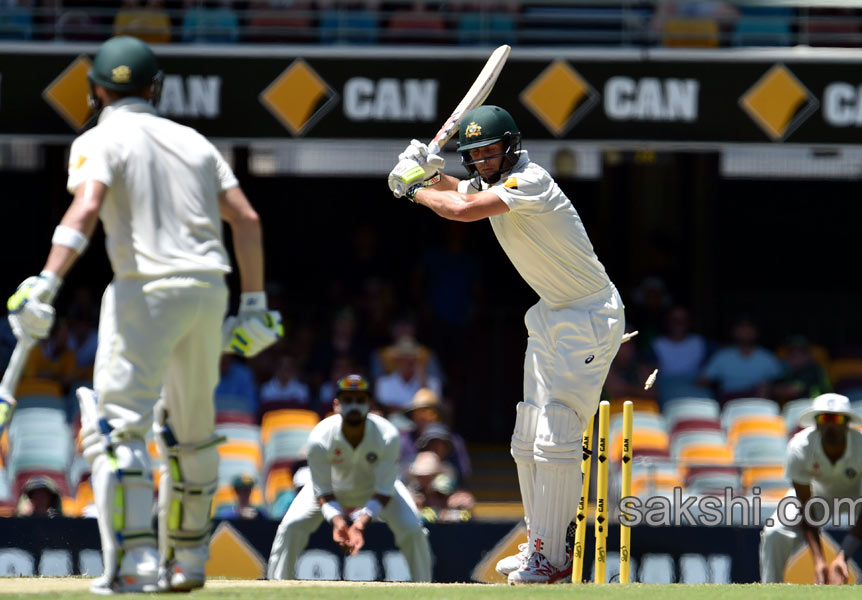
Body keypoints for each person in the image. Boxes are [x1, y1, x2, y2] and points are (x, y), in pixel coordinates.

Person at [3, 36, 283, 593]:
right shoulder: (195, 142)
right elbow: (247, 221)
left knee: (117, 430)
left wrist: (46, 284)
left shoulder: (98, 138)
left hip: (143, 290)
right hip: (209, 290)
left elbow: (85, 206)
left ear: (97, 91)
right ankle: (190, 563)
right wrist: (253, 305)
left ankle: (135, 566)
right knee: (193, 435)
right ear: (155, 88)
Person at [388, 105, 625, 584]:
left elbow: (463, 209)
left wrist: (414, 186)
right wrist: (429, 172)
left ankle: (555, 559)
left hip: (590, 313)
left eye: (492, 151)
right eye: (475, 155)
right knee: (527, 435)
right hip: (551, 312)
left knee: (556, 433)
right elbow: (459, 190)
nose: (485, 161)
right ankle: (539, 546)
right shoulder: (489, 180)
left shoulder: (531, 180)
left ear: (511, 147)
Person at [266, 374, 432, 582]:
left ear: (370, 405)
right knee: (291, 526)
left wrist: (359, 524)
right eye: (347, 400)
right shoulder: (320, 437)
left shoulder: (388, 435)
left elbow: (384, 490)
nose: (354, 406)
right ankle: (277, 586)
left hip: (376, 490)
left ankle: (424, 587)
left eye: (360, 400)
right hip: (332, 489)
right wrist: (338, 521)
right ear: (336, 405)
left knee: (413, 529)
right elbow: (322, 489)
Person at [760, 393, 862, 584]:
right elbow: (805, 505)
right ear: (816, 422)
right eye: (825, 418)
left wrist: (843, 557)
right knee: (774, 532)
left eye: (837, 418)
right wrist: (819, 561)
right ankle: (769, 591)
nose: (831, 424)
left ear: (847, 423)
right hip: (817, 494)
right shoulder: (799, 447)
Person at [697, 316, 783, 401]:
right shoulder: (722, 355)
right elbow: (703, 381)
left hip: (757, 400)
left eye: (749, 328)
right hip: (729, 399)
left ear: (757, 332)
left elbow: (780, 382)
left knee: (765, 387)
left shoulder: (767, 357)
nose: (745, 331)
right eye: (742, 328)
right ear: (734, 331)